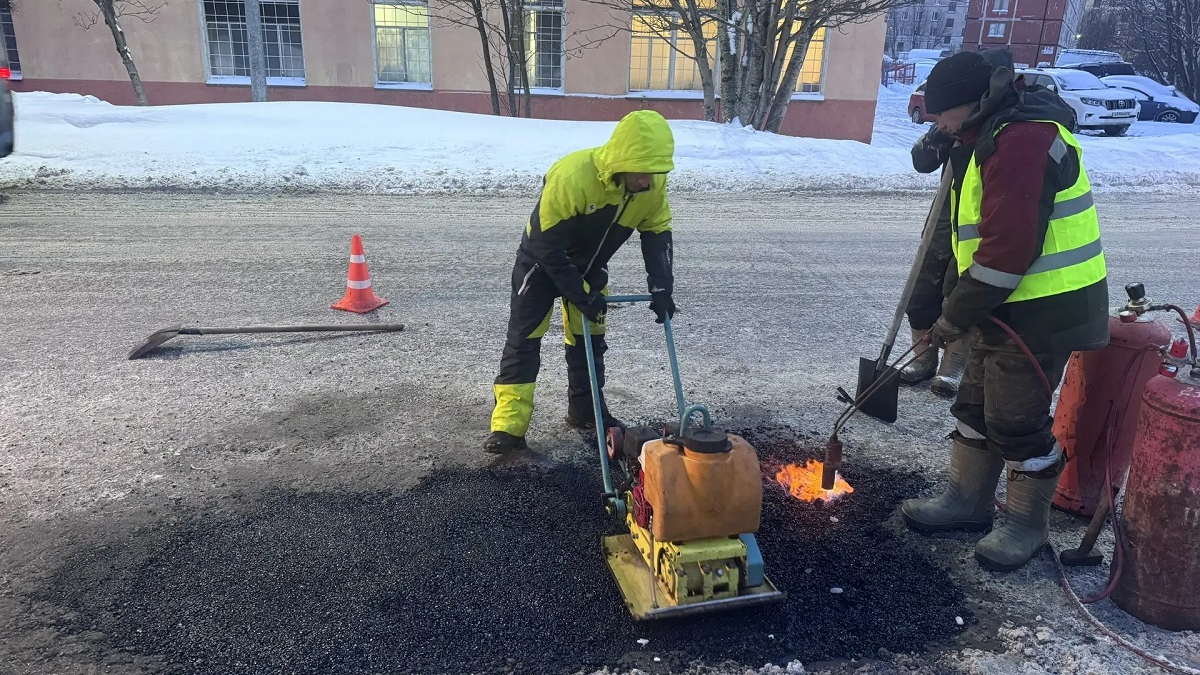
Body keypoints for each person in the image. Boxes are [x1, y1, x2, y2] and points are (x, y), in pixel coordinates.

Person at [899, 49, 1109, 572]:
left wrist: (951, 319)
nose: (938, 124)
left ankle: (1025, 526)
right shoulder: (989, 135)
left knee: (1016, 422)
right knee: (974, 406)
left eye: (942, 113)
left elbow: (1005, 253)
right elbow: (973, 241)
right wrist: (958, 306)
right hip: (1005, 304)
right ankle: (966, 501)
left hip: (1042, 308)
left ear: (971, 105)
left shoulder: (1023, 143)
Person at [485, 110, 678, 455]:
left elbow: (657, 233)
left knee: (589, 343)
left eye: (657, 172)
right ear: (623, 160)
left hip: (590, 269)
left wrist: (662, 287)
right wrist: (579, 294)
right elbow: (545, 244)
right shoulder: (573, 175)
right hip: (541, 266)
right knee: (524, 341)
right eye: (644, 172)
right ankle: (508, 427)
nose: (650, 181)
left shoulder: (652, 186)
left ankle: (586, 412)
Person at [899, 125, 971, 397]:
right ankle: (923, 360)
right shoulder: (952, 120)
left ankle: (952, 367)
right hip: (944, 216)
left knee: (961, 295)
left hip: (979, 219)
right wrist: (939, 134)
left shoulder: (998, 124)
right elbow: (922, 160)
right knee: (921, 292)